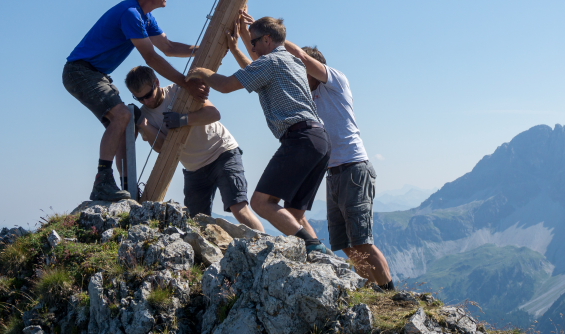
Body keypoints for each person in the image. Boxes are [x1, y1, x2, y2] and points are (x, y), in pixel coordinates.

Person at [187, 16, 332, 254]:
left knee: (261, 203)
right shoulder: (291, 61)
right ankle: (315, 255)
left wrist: (203, 72)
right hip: (320, 140)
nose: (251, 47)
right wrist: (234, 48)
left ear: (267, 39)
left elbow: (224, 85)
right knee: (292, 215)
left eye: (253, 42)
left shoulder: (270, 62)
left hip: (299, 138)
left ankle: (314, 248)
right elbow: (253, 72)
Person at [63, 0, 208, 202]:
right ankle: (102, 183)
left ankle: (126, 188)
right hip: (81, 72)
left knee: (126, 123)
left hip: (95, 74)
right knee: (122, 117)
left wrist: (203, 50)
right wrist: (185, 82)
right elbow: (151, 57)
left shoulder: (144, 16)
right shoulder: (130, 13)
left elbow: (168, 48)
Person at [280, 36, 395, 291]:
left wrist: (274, 36)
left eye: (302, 72)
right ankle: (374, 292)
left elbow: (300, 56)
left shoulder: (335, 83)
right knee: (346, 243)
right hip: (333, 173)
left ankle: (391, 295)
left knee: (362, 241)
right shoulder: (307, 97)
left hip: (353, 168)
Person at [124, 65, 264, 231]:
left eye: (148, 95)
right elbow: (161, 148)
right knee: (196, 223)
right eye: (139, 98)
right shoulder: (144, 115)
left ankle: (267, 251)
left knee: (238, 208)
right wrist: (143, 124)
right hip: (193, 168)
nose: (146, 101)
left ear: (156, 82)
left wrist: (183, 119)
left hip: (221, 152)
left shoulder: (180, 91)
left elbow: (214, 114)